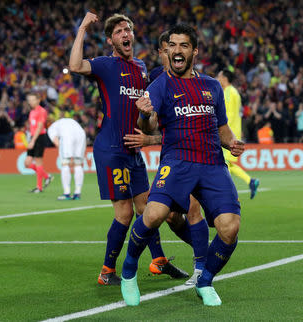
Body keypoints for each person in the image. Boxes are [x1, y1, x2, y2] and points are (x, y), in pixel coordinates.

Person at [121, 23, 245, 306]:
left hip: (213, 164)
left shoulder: (212, 86)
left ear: (194, 52)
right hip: (177, 162)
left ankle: (205, 280)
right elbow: (149, 123)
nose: (176, 50)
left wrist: (232, 142)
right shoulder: (160, 85)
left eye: (183, 45)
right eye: (172, 45)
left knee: (230, 227)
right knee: (153, 215)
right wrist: (143, 115)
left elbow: (222, 128)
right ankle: (129, 271)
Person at [69, 12, 188, 286]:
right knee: (124, 214)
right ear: (111, 40)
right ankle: (107, 271)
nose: (126, 34)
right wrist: (84, 27)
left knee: (147, 207)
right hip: (111, 149)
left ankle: (158, 260)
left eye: (128, 30)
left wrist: (151, 133)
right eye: (120, 31)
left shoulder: (141, 68)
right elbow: (75, 65)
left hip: (133, 152)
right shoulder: (105, 65)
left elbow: (146, 110)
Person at [124, 30, 209, 286]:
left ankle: (202, 264)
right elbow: (151, 125)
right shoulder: (157, 82)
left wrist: (149, 140)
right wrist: (145, 122)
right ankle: (178, 256)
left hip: (194, 157)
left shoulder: (195, 82)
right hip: (171, 159)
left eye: (176, 47)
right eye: (166, 48)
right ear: (161, 52)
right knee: (169, 216)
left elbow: (188, 131)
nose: (171, 52)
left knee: (193, 208)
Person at [217, 68, 260, 199]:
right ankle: (250, 181)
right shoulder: (234, 92)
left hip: (228, 133)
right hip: (234, 131)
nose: (218, 78)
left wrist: (222, 132)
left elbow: (227, 114)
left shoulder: (228, 92)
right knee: (228, 162)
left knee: (224, 163)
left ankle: (226, 192)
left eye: (219, 76)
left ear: (225, 78)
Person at [47, 118, 86, 200]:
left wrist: (65, 153)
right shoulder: (64, 122)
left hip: (68, 135)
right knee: (78, 164)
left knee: (65, 164)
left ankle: (66, 193)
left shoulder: (51, 129)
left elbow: (56, 142)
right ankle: (77, 193)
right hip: (81, 133)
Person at [24, 92, 53, 193]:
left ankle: (39, 187)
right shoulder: (32, 112)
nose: (30, 102)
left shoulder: (42, 111)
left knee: (38, 161)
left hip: (40, 137)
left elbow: (40, 126)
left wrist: (33, 140)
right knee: (27, 163)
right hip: (33, 137)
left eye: (32, 100)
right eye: (29, 100)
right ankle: (47, 176)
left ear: (38, 100)